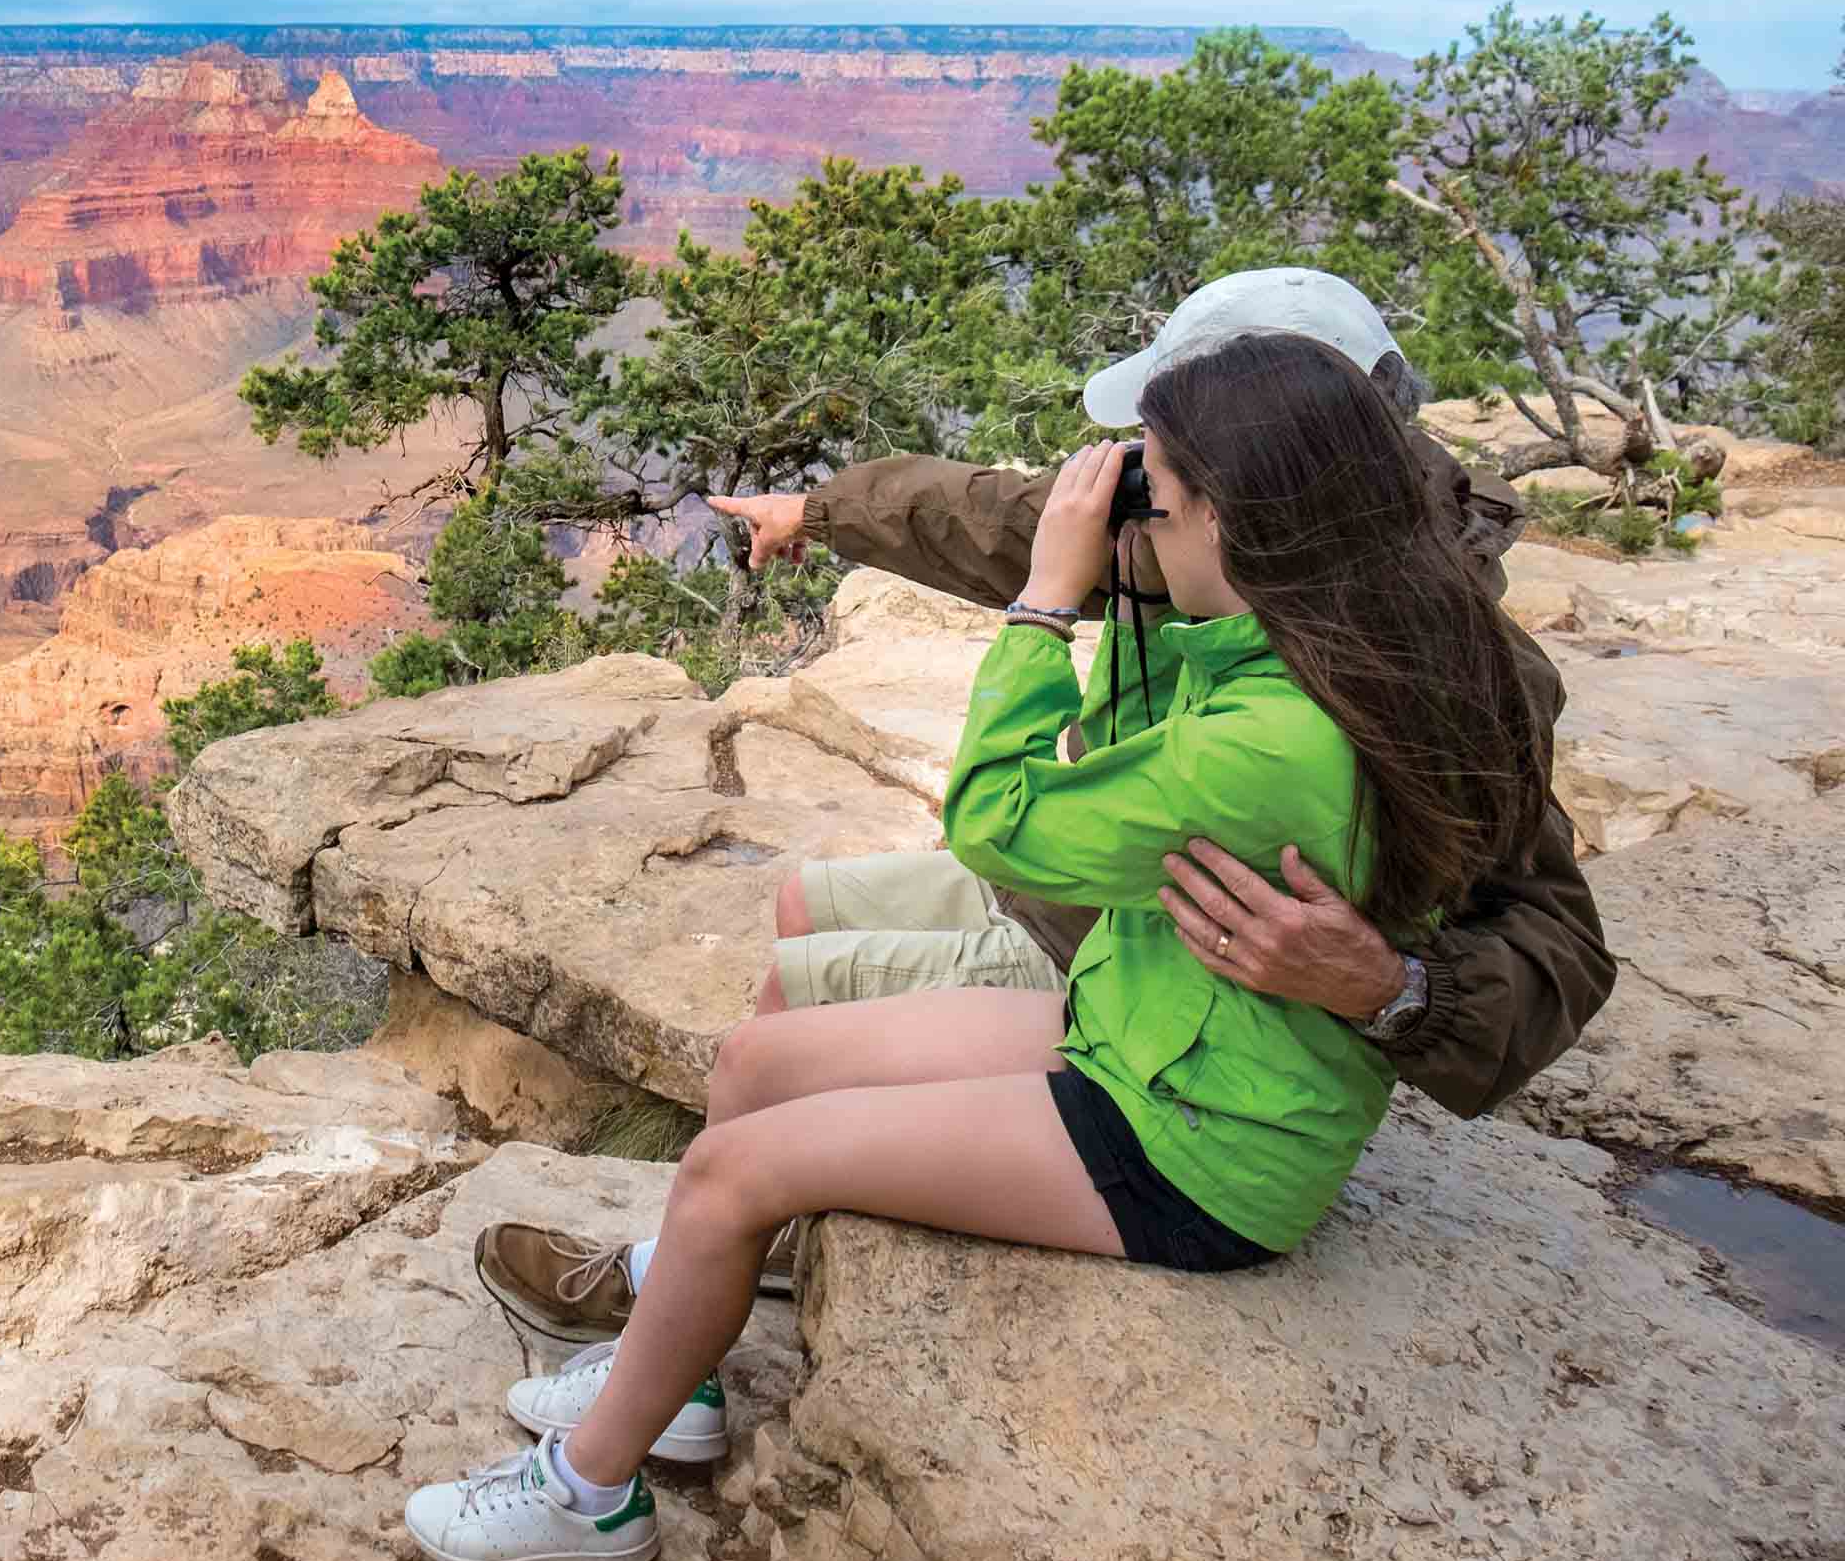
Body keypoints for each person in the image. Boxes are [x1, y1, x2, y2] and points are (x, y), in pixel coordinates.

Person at [399, 330, 1558, 1561]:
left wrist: (1048, 602)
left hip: (1194, 1141)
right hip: (1153, 1037)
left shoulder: (1277, 737)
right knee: (758, 1062)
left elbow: (1002, 825)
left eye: (1156, 502)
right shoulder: (1336, 634)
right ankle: (677, 1380)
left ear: (1244, 521)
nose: (1140, 527)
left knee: (736, 1171)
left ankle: (592, 1500)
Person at [470, 269, 1615, 1341]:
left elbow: (1557, 938)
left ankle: (699, 1256)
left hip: (1143, 981)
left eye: (1159, 465)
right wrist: (817, 511)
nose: (1128, 479)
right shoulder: (1176, 531)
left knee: (792, 1021)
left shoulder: (1447, 661)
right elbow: (990, 514)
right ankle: (740, 1244)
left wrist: (1390, 988)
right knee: (798, 916)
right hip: (1080, 892)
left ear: (1255, 476)